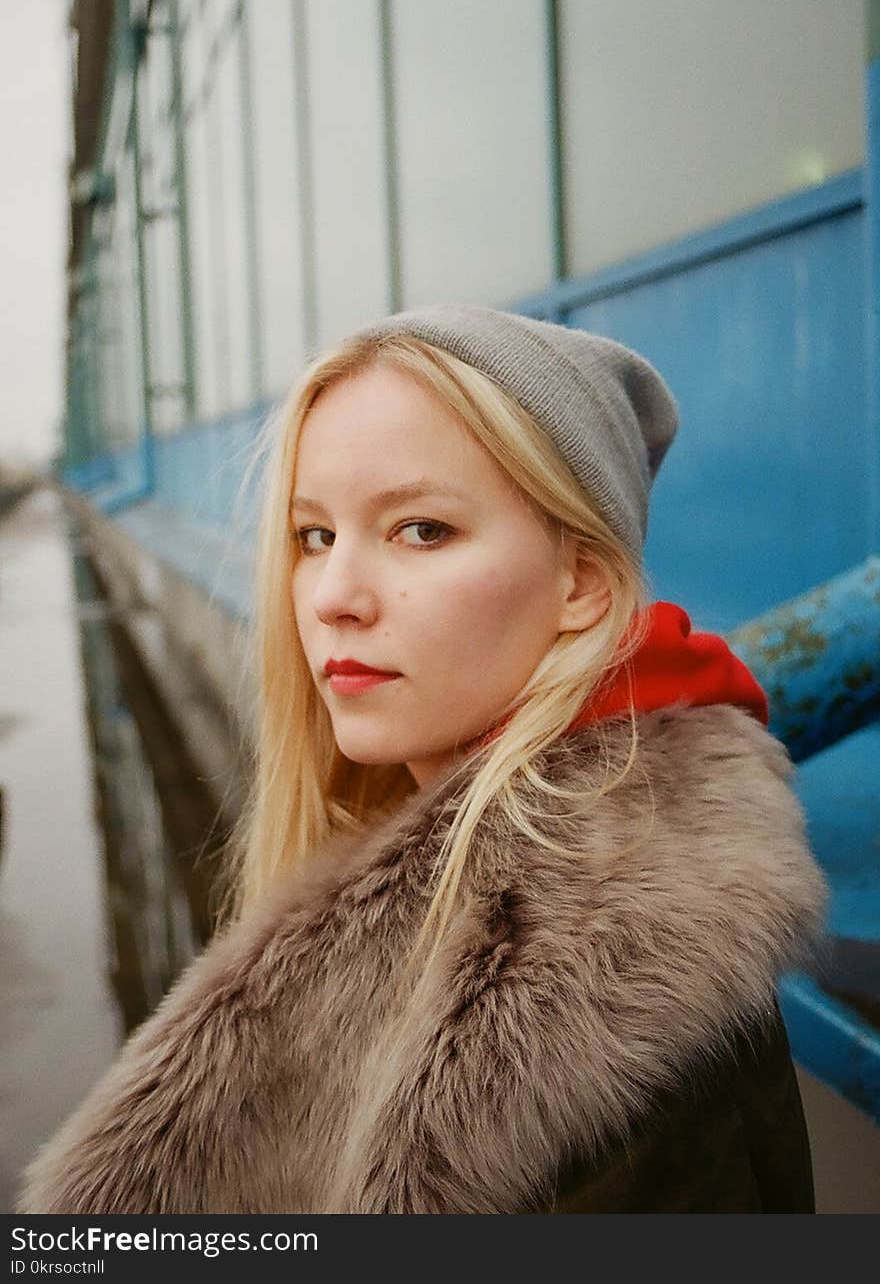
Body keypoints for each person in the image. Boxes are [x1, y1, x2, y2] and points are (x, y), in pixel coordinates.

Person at [18, 305, 826, 1214]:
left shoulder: (611, 994)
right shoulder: (422, 851)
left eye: (421, 531)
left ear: (582, 585)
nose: (333, 597)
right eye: (314, 536)